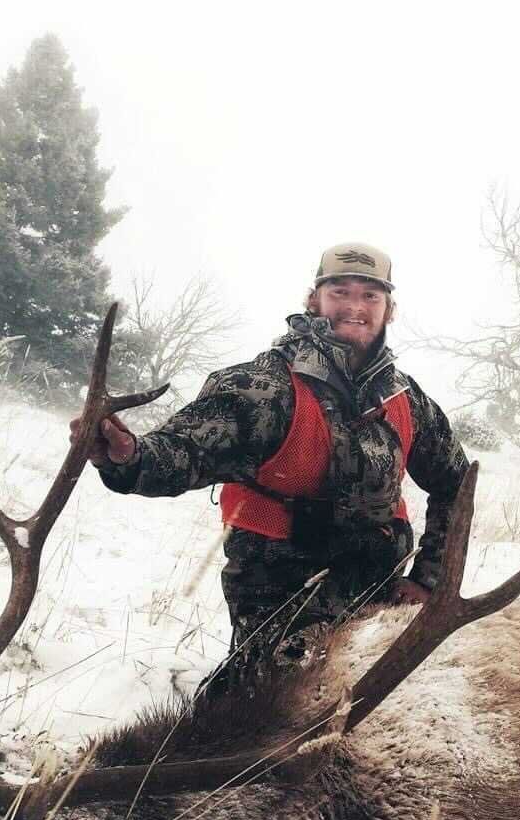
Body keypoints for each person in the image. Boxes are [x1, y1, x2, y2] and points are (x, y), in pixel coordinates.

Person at [72, 242, 469, 683]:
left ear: (389, 309)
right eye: (340, 292)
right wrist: (130, 457)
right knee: (268, 713)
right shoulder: (265, 387)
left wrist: (428, 579)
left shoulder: (405, 399)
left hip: (381, 587)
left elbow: (456, 483)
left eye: (370, 295)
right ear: (314, 299)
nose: (355, 307)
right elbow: (185, 450)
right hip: (284, 591)